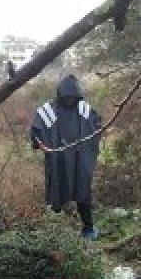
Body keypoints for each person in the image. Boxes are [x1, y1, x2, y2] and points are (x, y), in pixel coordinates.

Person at [30, 74, 102, 239]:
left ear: (77, 95)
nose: (69, 100)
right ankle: (56, 233)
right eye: (66, 97)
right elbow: (36, 132)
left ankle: (88, 229)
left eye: (72, 97)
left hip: (80, 160)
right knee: (57, 192)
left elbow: (97, 126)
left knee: (82, 192)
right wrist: (42, 146)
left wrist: (88, 147)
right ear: (60, 95)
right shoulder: (48, 111)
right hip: (59, 161)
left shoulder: (84, 110)